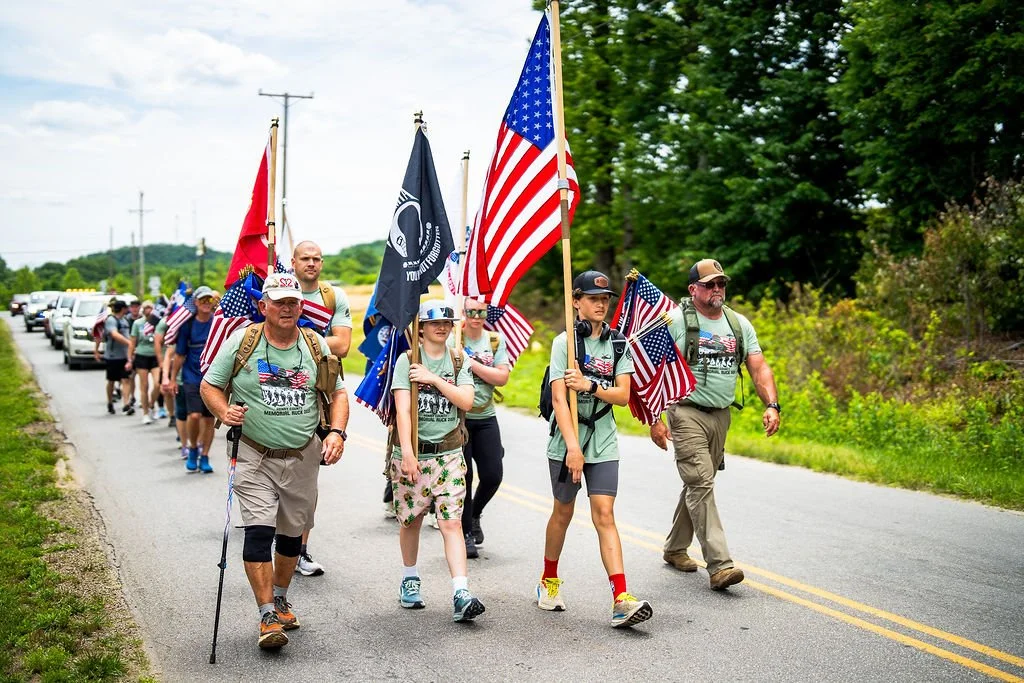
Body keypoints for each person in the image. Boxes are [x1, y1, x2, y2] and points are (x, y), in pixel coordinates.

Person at [201, 271, 349, 650]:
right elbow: (209, 385)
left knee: (290, 535)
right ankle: (267, 613)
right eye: (279, 302)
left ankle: (280, 596)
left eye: (293, 302)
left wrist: (335, 432)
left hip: (301, 456)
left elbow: (339, 394)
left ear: (301, 306)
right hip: (254, 453)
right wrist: (224, 410)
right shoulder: (243, 341)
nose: (286, 308)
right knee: (259, 530)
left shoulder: (316, 345)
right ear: (263, 306)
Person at [650, 258, 781, 591]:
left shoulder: (738, 324)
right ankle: (720, 565)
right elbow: (651, 369)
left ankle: (675, 548)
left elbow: (759, 366)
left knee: (699, 483)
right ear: (693, 289)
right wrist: (654, 417)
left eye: (721, 284)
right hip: (685, 411)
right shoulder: (678, 321)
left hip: (721, 415)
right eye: (709, 284)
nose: (717, 289)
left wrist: (772, 404)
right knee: (701, 482)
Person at [538, 271, 653, 629]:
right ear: (577, 302)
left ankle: (621, 598)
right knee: (563, 512)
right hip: (567, 439)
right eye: (592, 298)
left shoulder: (619, 345)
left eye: (605, 299)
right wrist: (572, 448)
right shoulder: (565, 343)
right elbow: (559, 398)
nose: (601, 304)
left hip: (603, 438)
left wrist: (589, 384)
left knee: (604, 513)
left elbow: (622, 395)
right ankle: (549, 580)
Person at [390, 301, 484, 623]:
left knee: (452, 523)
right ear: (421, 327)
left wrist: (433, 379)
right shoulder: (406, 360)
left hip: (449, 455)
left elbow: (467, 401)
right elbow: (402, 410)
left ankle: (461, 592)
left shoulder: (459, 360)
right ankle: (410, 578)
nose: (441, 327)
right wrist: (407, 452)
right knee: (411, 520)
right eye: (434, 323)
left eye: (446, 322)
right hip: (414, 454)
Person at [290, 240, 354, 577]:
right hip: (278, 391)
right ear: (293, 262)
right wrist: (317, 337)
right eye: (305, 258)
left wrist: (295, 337)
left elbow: (342, 344)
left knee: (306, 480)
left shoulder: (333, 297)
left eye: (316, 259)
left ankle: (298, 550)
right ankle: (271, 537)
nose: (311, 264)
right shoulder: (280, 289)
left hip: (320, 394)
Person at [453, 297, 510, 559]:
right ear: (463, 312)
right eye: (471, 311)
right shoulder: (454, 337)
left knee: (492, 475)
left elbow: (502, 377)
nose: (476, 316)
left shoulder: (494, 340)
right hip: (459, 419)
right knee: (464, 478)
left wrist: (470, 363)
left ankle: (474, 513)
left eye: (481, 311)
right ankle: (465, 533)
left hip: (486, 416)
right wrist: (486, 370)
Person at [166, 285, 218, 473]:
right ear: (195, 302)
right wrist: (172, 379)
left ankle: (205, 456)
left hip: (212, 378)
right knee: (194, 416)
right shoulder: (187, 326)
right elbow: (179, 355)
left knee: (208, 419)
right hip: (191, 376)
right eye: (202, 300)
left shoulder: (216, 323)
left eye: (209, 300)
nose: (206, 303)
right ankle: (193, 448)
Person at [96, 300, 135, 416]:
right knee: (112, 380)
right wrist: (129, 343)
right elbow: (114, 334)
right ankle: (109, 402)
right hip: (113, 356)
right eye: (125, 308)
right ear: (122, 308)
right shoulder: (111, 320)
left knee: (126, 379)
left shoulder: (125, 320)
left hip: (124, 355)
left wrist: (132, 349)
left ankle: (126, 404)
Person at [126, 301, 160, 425]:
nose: (148, 310)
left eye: (150, 307)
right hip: (142, 355)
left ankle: (151, 405)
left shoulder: (158, 322)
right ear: (142, 310)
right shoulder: (137, 323)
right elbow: (132, 342)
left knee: (157, 384)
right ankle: (145, 413)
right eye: (145, 308)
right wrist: (129, 359)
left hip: (155, 356)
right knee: (144, 386)